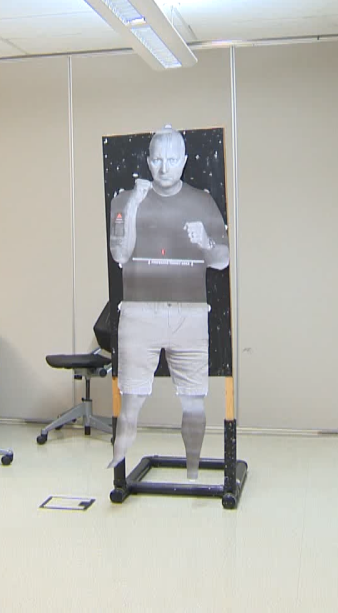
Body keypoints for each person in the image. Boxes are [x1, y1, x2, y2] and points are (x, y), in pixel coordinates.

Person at [106, 125, 228, 478]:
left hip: (189, 313)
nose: (164, 167)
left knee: (193, 400)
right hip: (139, 312)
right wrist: (134, 205)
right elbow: (120, 254)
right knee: (131, 399)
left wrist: (205, 242)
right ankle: (117, 465)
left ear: (184, 161)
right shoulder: (125, 199)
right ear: (148, 161)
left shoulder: (202, 201)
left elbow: (223, 259)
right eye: (157, 160)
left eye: (172, 160)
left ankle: (193, 471)